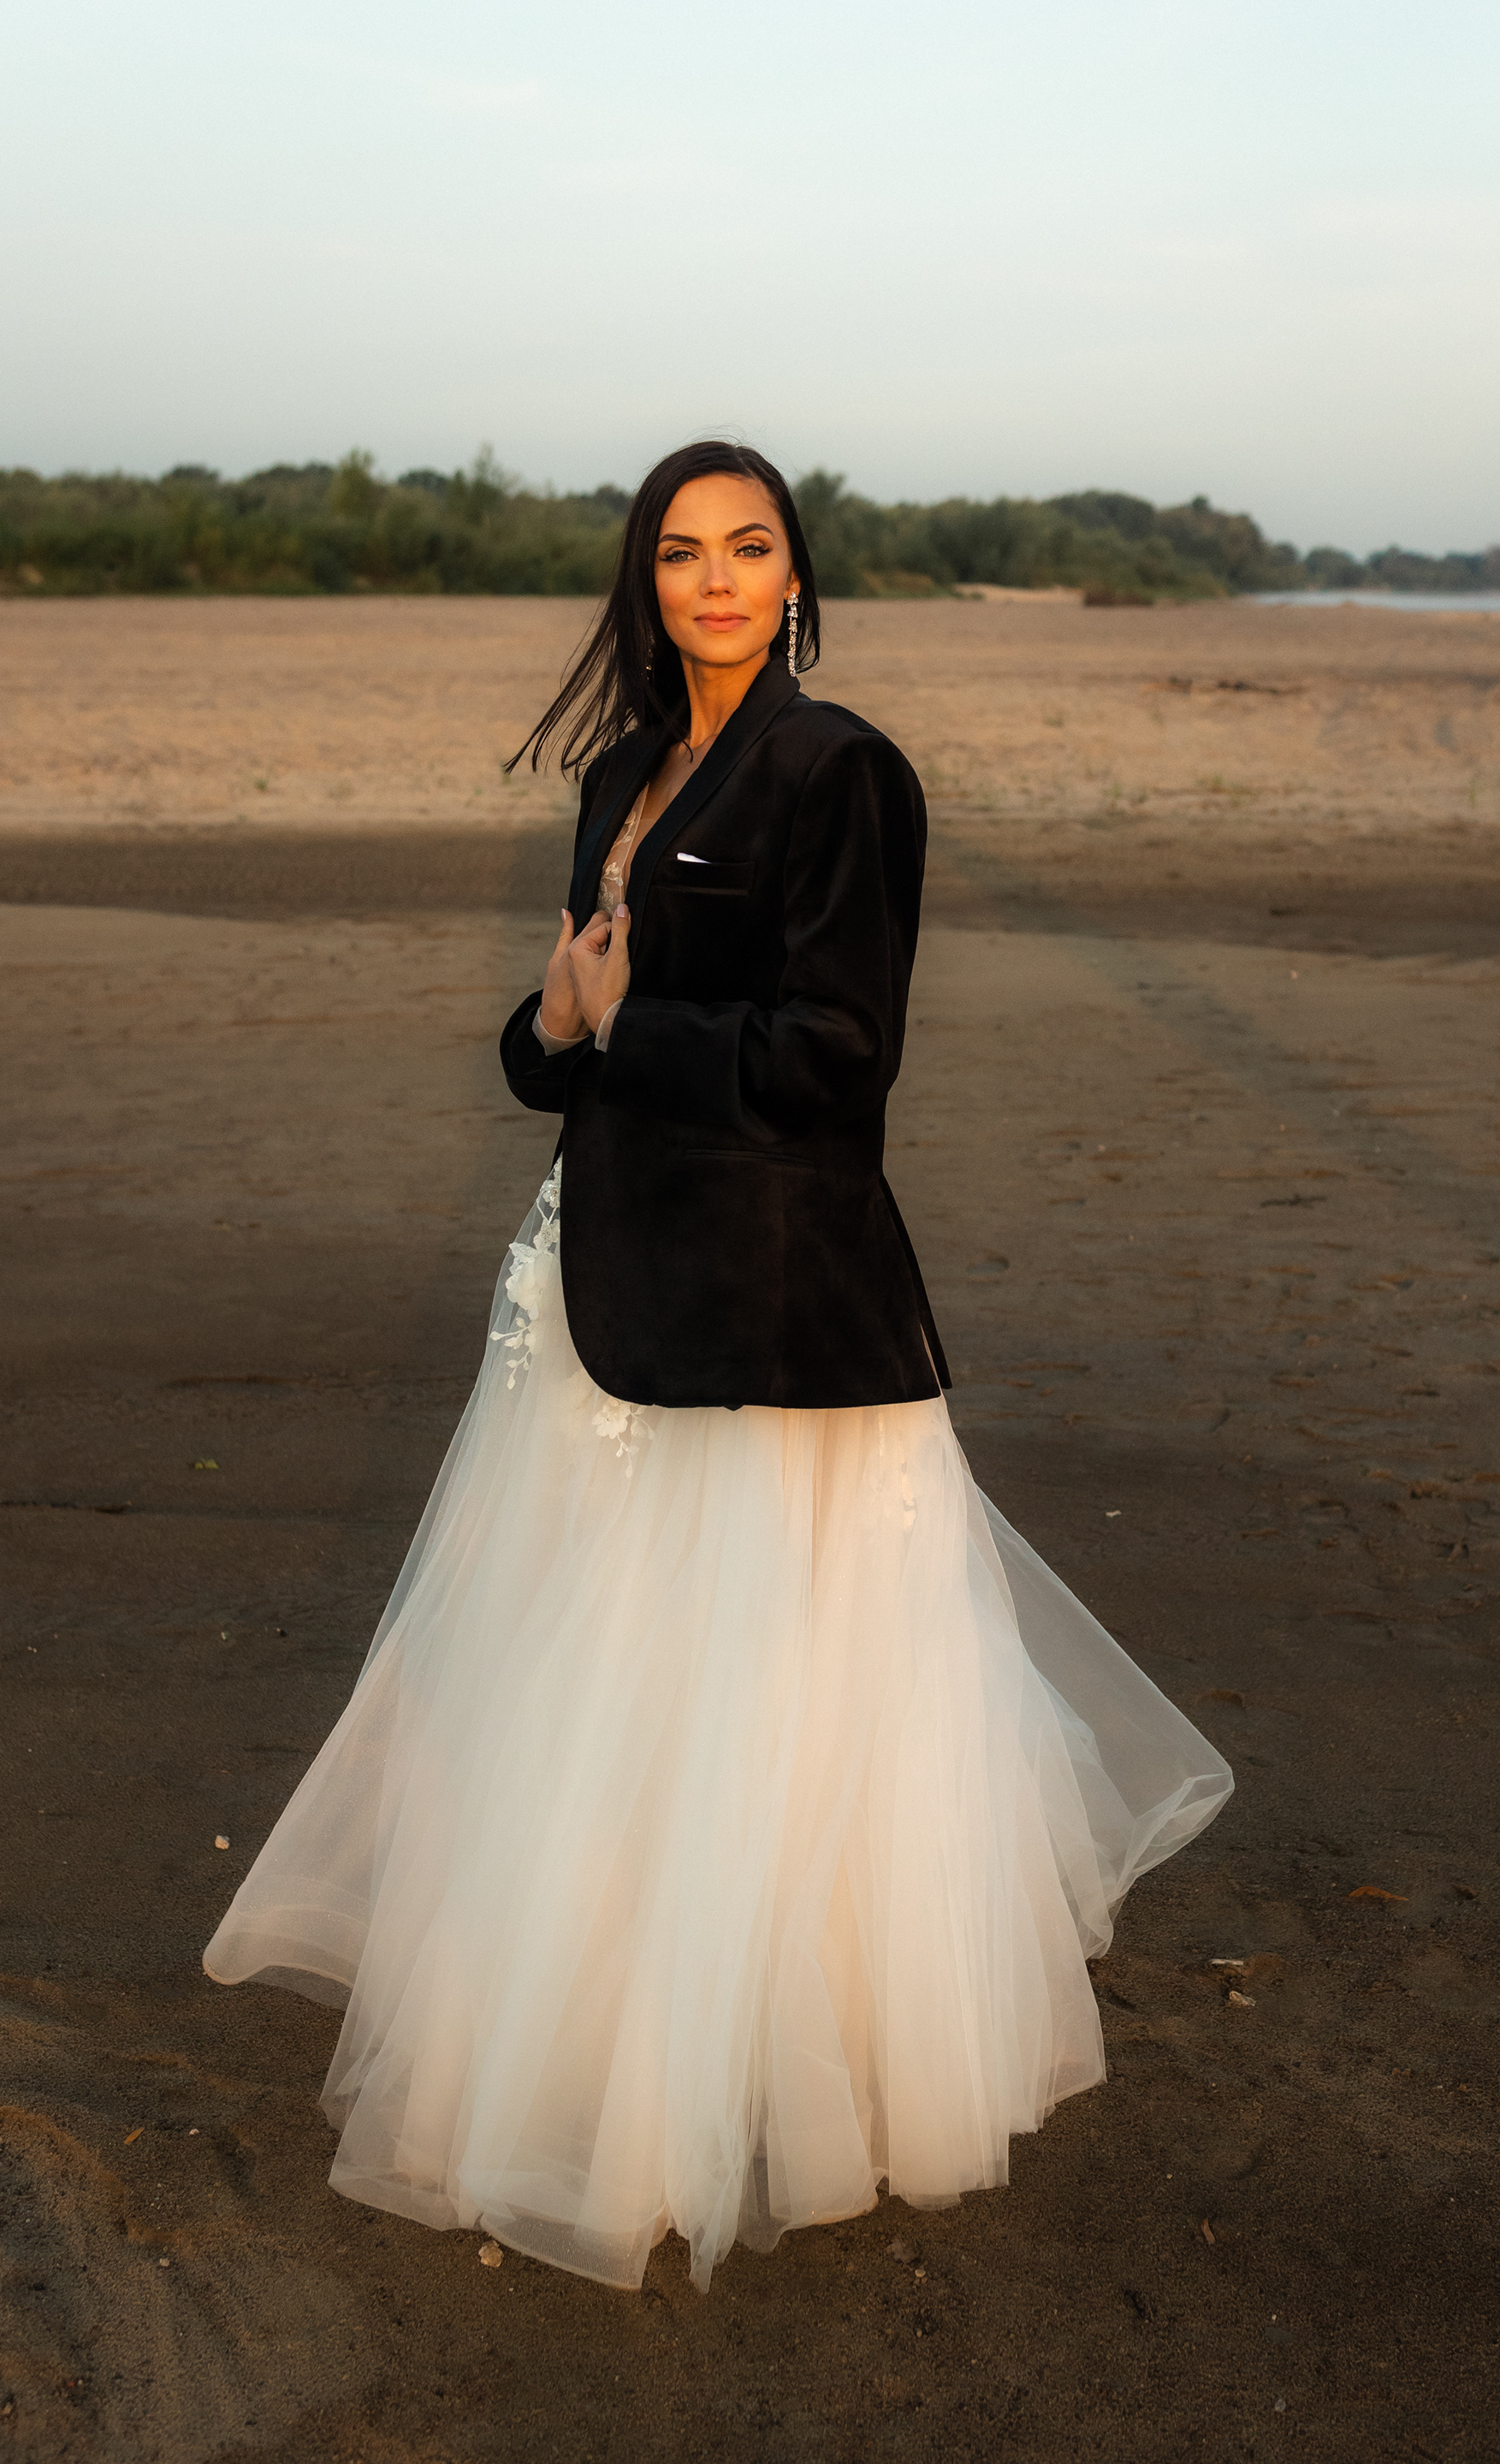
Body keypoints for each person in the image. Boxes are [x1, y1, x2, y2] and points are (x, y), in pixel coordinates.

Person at [205, 441, 1231, 2295]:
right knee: (594, 1680)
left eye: (751, 547)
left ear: (796, 575)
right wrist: (553, 1024)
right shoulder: (621, 773)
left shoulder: (843, 773)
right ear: (646, 583)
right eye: (682, 552)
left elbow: (839, 1054)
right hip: (602, 1282)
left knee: (776, 1697)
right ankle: (604, 2060)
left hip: (770, 1308)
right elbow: (574, 1030)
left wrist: (631, 1025)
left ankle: (764, 2081)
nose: (718, 578)